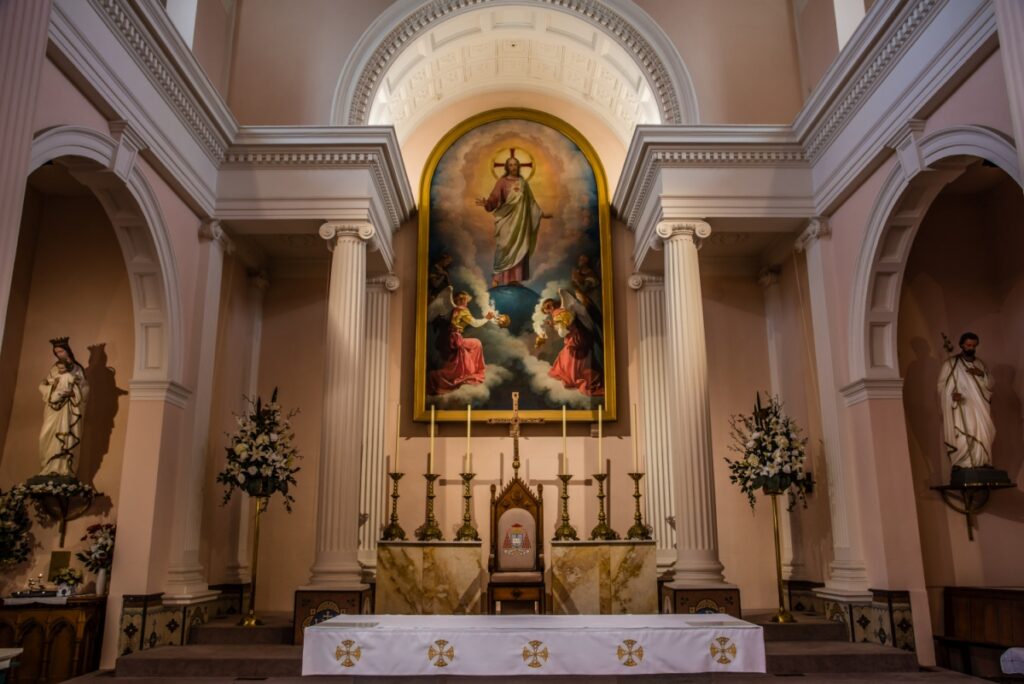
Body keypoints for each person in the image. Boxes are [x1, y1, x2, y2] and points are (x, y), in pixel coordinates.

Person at [475, 156, 552, 288]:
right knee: (504, 246)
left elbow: (531, 202)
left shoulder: (523, 183)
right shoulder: (502, 182)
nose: (513, 167)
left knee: (519, 247)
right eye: (510, 165)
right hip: (506, 219)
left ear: (518, 166)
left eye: (515, 164)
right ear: (507, 167)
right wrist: (487, 203)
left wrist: (541, 214)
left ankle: (515, 279)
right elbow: (494, 198)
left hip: (520, 222)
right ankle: (497, 278)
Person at [937, 332, 994, 469]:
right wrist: (951, 396)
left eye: (974, 346)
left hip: (980, 407)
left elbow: (990, 385)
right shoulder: (951, 363)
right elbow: (941, 387)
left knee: (983, 432)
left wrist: (982, 374)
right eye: (968, 345)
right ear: (962, 345)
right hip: (962, 407)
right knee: (965, 433)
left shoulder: (980, 364)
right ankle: (962, 462)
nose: (971, 348)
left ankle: (981, 461)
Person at [427, 289, 496, 395]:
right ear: (461, 300)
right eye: (465, 300)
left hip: (449, 338)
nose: (466, 302)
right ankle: (474, 369)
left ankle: (471, 367)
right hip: (456, 339)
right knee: (477, 343)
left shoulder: (454, 310)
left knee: (475, 343)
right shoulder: (463, 310)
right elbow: (475, 323)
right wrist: (487, 318)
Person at [39, 337, 89, 476]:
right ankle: (48, 467)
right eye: (56, 352)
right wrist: (50, 388)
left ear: (68, 351)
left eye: (61, 351)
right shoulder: (54, 369)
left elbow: (85, 388)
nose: (59, 354)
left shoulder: (77, 369)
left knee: (67, 436)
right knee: (46, 435)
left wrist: (73, 393)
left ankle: (64, 469)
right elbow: (47, 384)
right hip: (54, 409)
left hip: (70, 410)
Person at [539, 291, 603, 397]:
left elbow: (563, 331)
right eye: (547, 312)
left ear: (551, 305)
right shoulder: (559, 312)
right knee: (564, 355)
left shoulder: (558, 313)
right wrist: (553, 324)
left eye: (548, 309)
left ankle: (574, 377)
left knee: (568, 354)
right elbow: (564, 322)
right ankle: (575, 374)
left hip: (576, 337)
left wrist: (558, 327)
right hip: (577, 335)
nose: (550, 311)